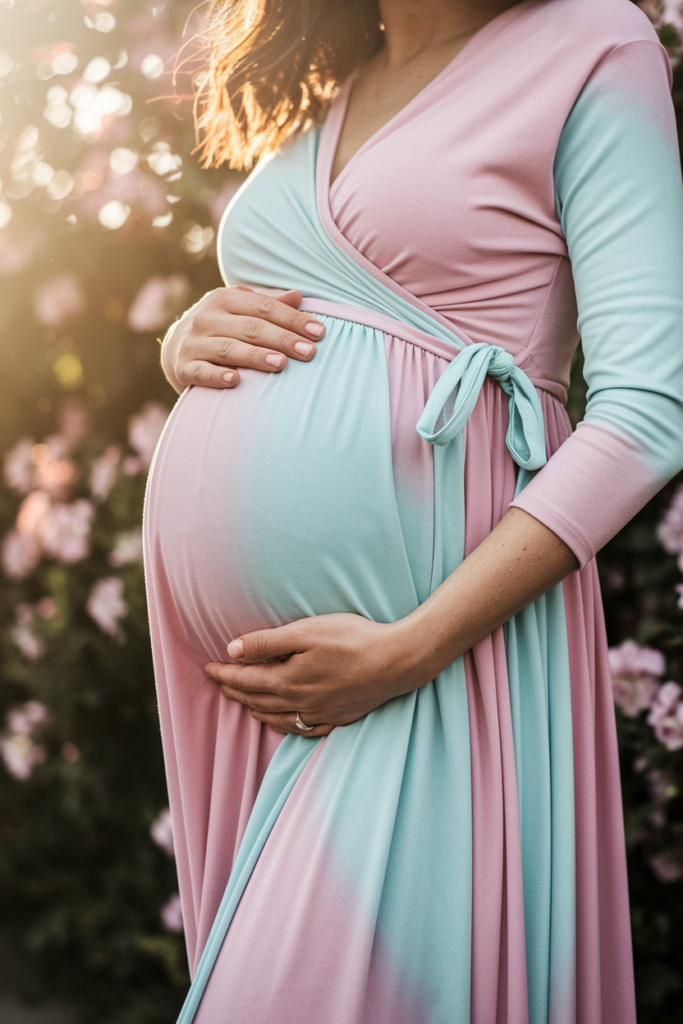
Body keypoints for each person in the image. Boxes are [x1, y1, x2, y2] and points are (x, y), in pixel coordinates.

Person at [143, 0, 683, 1020]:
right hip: (260, 692)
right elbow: (310, 310)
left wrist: (412, 645)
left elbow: (647, 411)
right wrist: (185, 340)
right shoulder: (329, 86)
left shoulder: (592, 44)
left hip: (424, 660)